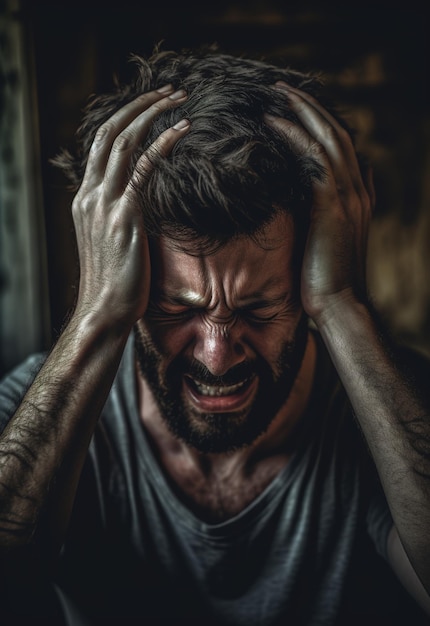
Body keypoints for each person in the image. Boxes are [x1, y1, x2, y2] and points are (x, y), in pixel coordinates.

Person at [0, 46, 429, 625]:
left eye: (260, 306)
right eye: (176, 309)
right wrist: (97, 316)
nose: (217, 355)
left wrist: (343, 304)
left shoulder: (394, 410)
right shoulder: (37, 412)